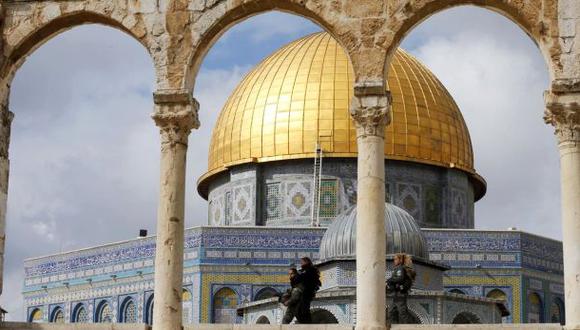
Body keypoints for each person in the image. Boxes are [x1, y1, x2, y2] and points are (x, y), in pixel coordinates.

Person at [386, 253, 416, 324]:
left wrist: (389, 280)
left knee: (402, 313)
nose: (394, 261)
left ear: (400, 260)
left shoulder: (400, 268)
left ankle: (407, 327)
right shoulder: (398, 268)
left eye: (395, 259)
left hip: (400, 294)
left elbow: (400, 279)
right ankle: (395, 326)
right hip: (397, 294)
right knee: (391, 312)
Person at [293, 256, 321, 324]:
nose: (301, 264)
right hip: (303, 293)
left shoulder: (310, 270)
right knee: (298, 310)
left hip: (307, 293)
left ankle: (308, 324)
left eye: (302, 262)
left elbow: (311, 281)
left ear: (306, 262)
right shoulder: (304, 271)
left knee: (304, 310)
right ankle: (305, 324)